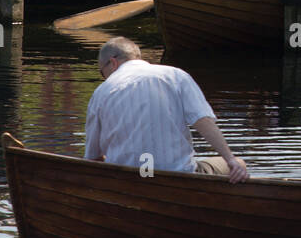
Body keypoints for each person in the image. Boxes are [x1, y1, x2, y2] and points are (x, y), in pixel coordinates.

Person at [85, 36, 249, 181]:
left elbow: (93, 158)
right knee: (238, 164)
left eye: (102, 73)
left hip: (131, 180)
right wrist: (231, 160)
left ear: (113, 63)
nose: (105, 78)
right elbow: (202, 120)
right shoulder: (175, 76)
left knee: (140, 171)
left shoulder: (101, 93)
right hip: (178, 175)